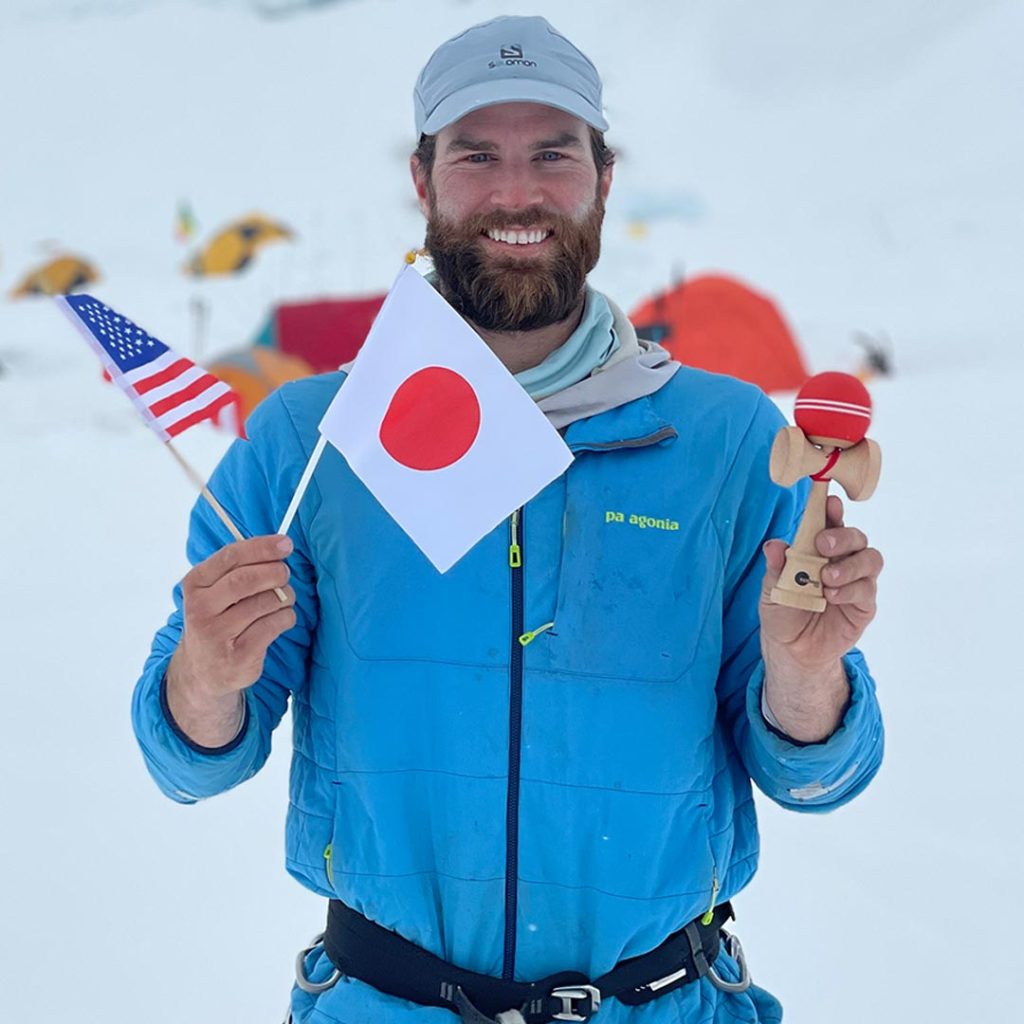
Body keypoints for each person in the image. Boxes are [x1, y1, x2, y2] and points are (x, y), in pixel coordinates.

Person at [132, 15, 885, 1024]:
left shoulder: (727, 440)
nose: (516, 192)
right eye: (477, 153)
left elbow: (815, 774)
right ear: (422, 176)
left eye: (553, 154)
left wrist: (803, 678)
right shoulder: (312, 440)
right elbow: (190, 756)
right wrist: (205, 676)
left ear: (603, 178)